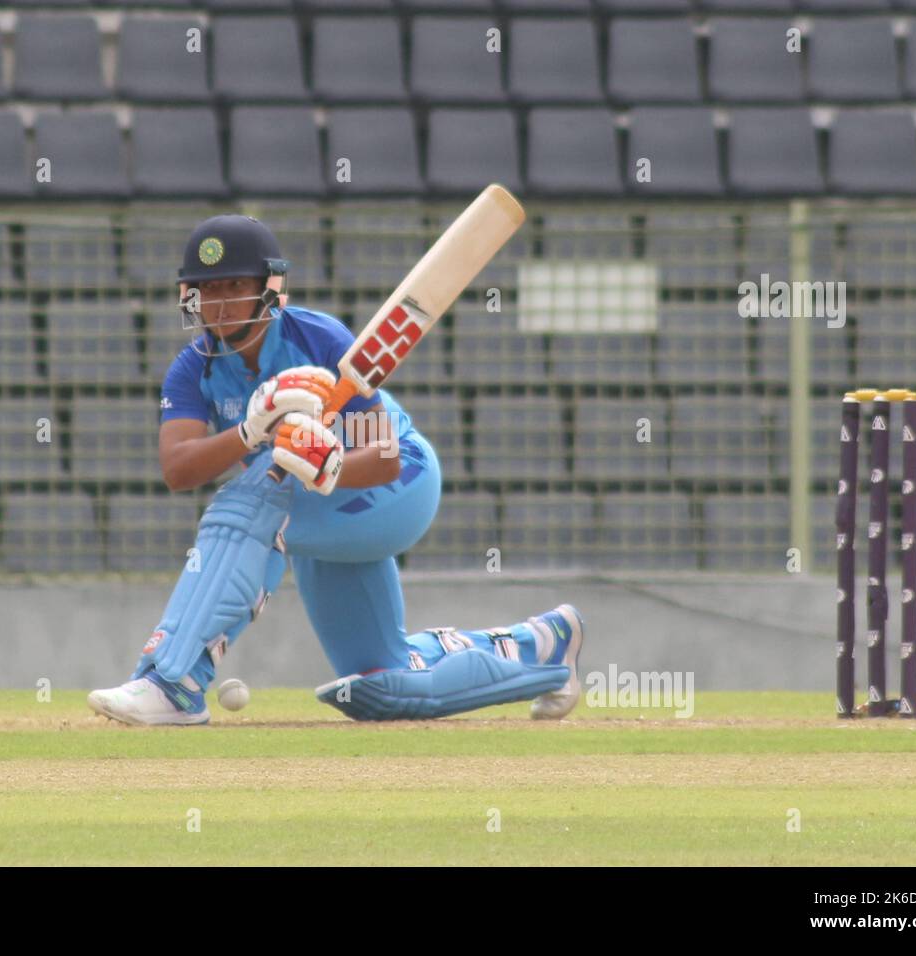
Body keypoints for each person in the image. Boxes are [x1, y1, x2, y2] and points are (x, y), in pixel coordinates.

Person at [87, 214, 585, 725]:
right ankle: (545, 647)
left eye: (235, 285)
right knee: (383, 685)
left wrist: (332, 466)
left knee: (249, 498)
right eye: (207, 288)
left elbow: (385, 457)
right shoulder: (194, 368)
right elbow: (177, 469)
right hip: (310, 513)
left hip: (396, 484)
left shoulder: (319, 338)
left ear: (269, 288)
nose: (220, 301)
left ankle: (173, 681)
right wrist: (249, 431)